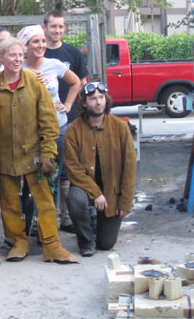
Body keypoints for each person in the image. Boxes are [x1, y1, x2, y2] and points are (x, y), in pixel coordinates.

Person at [0, 36, 79, 264]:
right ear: (1, 58)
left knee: (45, 201)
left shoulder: (35, 81)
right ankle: (18, 242)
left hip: (35, 154)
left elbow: (49, 119)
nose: (17, 59)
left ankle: (52, 245)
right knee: (9, 203)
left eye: (20, 55)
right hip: (5, 155)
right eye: (12, 55)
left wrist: (48, 152)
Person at [65, 82, 137, 257]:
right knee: (75, 199)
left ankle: (96, 221)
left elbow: (130, 165)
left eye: (101, 97)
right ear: (84, 103)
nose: (98, 102)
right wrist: (96, 193)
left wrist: (125, 201)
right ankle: (85, 240)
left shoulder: (120, 126)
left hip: (111, 193)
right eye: (92, 99)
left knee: (106, 244)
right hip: (86, 190)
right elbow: (73, 168)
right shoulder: (73, 130)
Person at [18, 25, 80, 206]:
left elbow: (76, 82)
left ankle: (51, 221)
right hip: (29, 132)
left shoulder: (54, 65)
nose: (41, 45)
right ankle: (31, 220)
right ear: (26, 45)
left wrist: (67, 105)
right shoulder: (17, 67)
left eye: (43, 41)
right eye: (35, 41)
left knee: (52, 175)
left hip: (57, 130)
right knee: (31, 178)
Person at [42, 11, 89, 231]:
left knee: (66, 170)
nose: (57, 31)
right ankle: (42, 219)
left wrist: (70, 105)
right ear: (45, 27)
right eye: (53, 27)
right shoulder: (38, 54)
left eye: (61, 27)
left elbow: (81, 81)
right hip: (41, 123)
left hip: (68, 120)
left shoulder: (72, 53)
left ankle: (67, 218)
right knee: (45, 170)